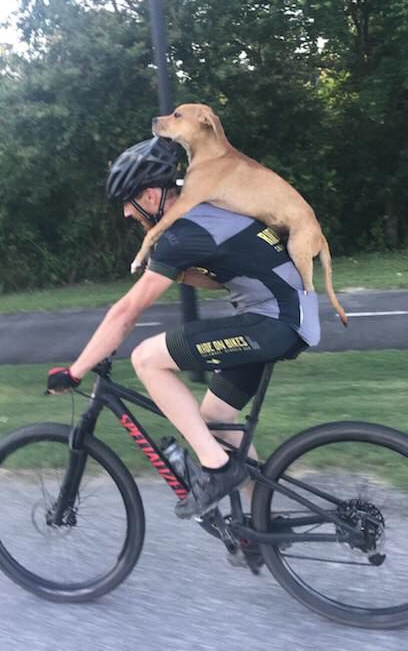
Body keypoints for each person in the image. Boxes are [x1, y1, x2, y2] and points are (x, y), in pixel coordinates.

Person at [47, 137, 320, 519]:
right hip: (287, 317)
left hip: (273, 322)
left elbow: (126, 312)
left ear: (153, 193)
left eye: (130, 199)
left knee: (146, 359)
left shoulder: (181, 232)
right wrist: (177, 272)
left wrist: (75, 371)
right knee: (215, 422)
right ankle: (261, 523)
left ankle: (217, 470)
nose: (127, 212)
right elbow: (228, 271)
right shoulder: (205, 212)